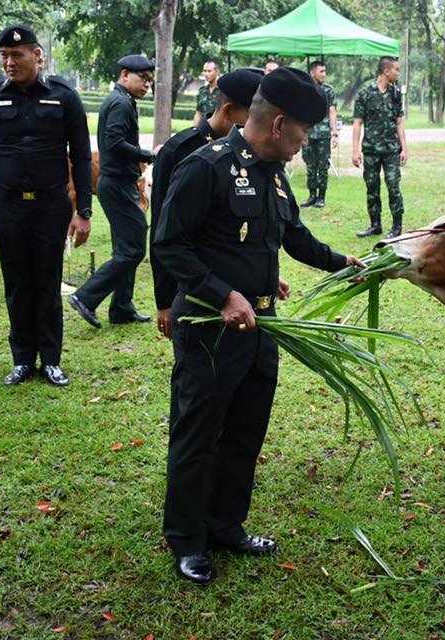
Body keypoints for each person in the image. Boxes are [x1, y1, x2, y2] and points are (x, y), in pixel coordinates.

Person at [152, 67, 364, 585]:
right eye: (304, 134)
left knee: (245, 430)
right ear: (279, 125)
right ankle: (187, 539)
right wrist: (223, 294)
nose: (305, 143)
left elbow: (293, 237)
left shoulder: (274, 172)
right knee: (198, 432)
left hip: (261, 327)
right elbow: (169, 244)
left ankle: (225, 526)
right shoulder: (207, 167)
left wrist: (344, 263)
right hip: (209, 326)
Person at [0, 24, 92, 387]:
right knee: (18, 284)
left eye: (16, 55)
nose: (9, 62)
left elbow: (82, 158)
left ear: (38, 56)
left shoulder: (64, 97)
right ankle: (22, 359)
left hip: (51, 206)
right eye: (4, 55)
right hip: (8, 207)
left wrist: (83, 211)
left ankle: (51, 359)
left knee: (48, 283)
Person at [149, 68, 263, 338]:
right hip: (192, 288)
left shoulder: (249, 153)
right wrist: (164, 301)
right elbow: (162, 232)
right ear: (228, 110)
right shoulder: (180, 151)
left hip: (233, 287)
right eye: (252, 117)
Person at [69, 55, 157, 329]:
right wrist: (148, 155)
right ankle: (85, 297)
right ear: (125, 74)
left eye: (150, 81)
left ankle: (121, 307)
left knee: (126, 246)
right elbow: (115, 142)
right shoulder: (119, 103)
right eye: (143, 78)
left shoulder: (122, 100)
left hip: (118, 182)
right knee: (132, 250)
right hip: (117, 184)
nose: (146, 85)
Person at [352, 56, 407, 239]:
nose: (398, 73)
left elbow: (400, 122)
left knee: (393, 186)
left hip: (391, 150)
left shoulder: (396, 94)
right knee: (372, 187)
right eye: (396, 69)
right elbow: (358, 123)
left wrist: (404, 148)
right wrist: (355, 150)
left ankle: (396, 227)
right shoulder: (365, 93)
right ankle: (375, 225)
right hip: (371, 150)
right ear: (386, 71)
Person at [299, 60, 337, 209]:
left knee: (322, 167)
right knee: (310, 166)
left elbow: (333, 112)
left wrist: (335, 133)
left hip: (323, 135)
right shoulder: (305, 89)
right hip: (308, 133)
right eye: (321, 71)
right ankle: (311, 195)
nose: (324, 74)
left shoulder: (328, 90)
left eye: (325, 71)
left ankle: (321, 197)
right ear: (312, 72)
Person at [192, 60, 221, 126]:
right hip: (203, 128)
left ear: (217, 72)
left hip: (218, 129)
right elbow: (198, 112)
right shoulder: (202, 90)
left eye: (209, 71)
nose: (206, 74)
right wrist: (195, 129)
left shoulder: (223, 90)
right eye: (204, 71)